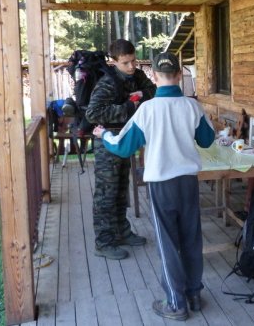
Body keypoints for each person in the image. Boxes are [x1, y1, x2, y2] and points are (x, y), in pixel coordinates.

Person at [93, 52, 215, 321]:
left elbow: (123, 147)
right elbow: (207, 140)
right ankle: (194, 294)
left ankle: (176, 303)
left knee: (167, 243)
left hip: (161, 185)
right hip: (188, 183)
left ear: (155, 77)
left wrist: (105, 134)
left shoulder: (146, 110)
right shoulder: (193, 107)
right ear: (179, 75)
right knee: (191, 239)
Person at [85, 39, 156, 260]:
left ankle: (122, 231)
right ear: (114, 61)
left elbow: (152, 90)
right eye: (125, 63)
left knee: (121, 189)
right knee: (106, 193)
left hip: (125, 138)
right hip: (107, 142)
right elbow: (93, 113)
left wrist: (142, 95)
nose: (131, 66)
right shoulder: (107, 83)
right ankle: (104, 242)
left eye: (133, 61)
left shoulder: (138, 76)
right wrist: (128, 106)